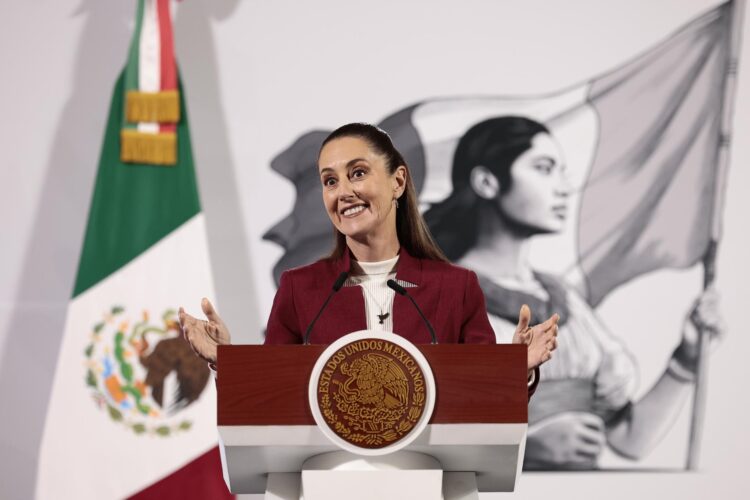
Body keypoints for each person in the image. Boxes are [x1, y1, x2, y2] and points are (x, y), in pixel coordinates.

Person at [424, 116, 724, 469]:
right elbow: (404, 439)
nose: (564, 187)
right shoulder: (437, 297)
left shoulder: (564, 299)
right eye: (544, 168)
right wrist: (523, 450)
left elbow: (629, 439)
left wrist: (686, 358)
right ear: (487, 182)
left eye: (562, 171)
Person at [178, 122, 559, 393]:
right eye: (330, 180)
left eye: (357, 173)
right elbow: (274, 396)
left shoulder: (456, 288)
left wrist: (515, 371)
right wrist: (224, 361)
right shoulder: (301, 289)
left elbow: (482, 400)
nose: (342, 192)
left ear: (397, 181)